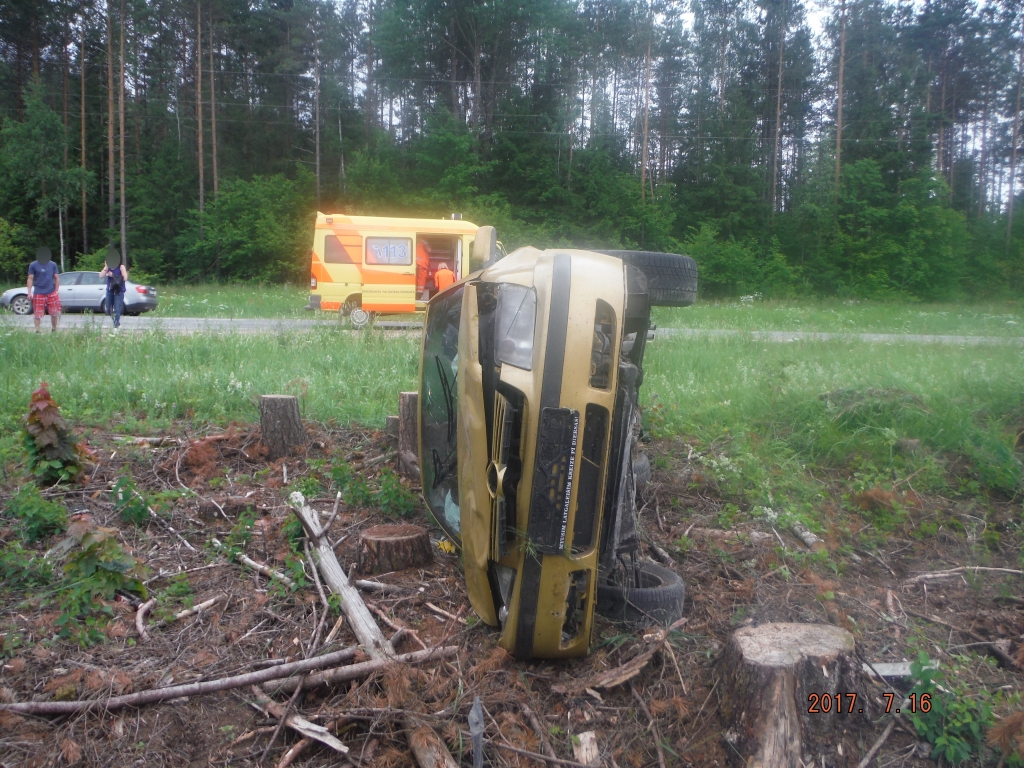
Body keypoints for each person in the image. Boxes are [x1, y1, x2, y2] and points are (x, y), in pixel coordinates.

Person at [27, 246, 61, 333]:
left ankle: (54, 329)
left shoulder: (53, 264)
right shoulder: (33, 265)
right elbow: (30, 278)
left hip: (51, 292)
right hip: (38, 292)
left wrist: (56, 291)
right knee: (37, 313)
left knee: (54, 312)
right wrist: (29, 292)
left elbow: (56, 278)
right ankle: (37, 330)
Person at [99, 247, 129, 331]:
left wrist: (112, 275)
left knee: (117, 308)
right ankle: (117, 323)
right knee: (108, 309)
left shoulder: (121, 267)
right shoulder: (108, 267)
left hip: (118, 290)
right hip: (110, 289)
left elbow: (125, 278)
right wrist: (106, 267)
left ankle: (116, 326)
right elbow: (101, 276)